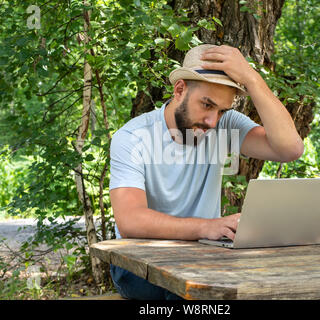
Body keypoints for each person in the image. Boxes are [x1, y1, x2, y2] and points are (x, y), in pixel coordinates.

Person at [108, 44, 304, 300]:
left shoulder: (225, 125)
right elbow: (131, 221)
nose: (213, 121)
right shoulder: (133, 137)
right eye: (207, 105)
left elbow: (290, 149)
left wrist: (252, 79)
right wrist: (208, 227)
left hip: (203, 257)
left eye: (221, 110)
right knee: (190, 293)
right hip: (138, 261)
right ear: (180, 90)